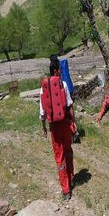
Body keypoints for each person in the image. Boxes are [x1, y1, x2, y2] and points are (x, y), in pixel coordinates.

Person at [40, 56, 75, 201]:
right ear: (56, 70)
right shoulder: (64, 84)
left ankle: (65, 189)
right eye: (60, 70)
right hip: (65, 125)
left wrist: (44, 128)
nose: (60, 72)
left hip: (53, 127)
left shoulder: (43, 88)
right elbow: (69, 106)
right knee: (68, 151)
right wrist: (73, 122)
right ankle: (71, 178)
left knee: (59, 157)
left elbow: (42, 112)